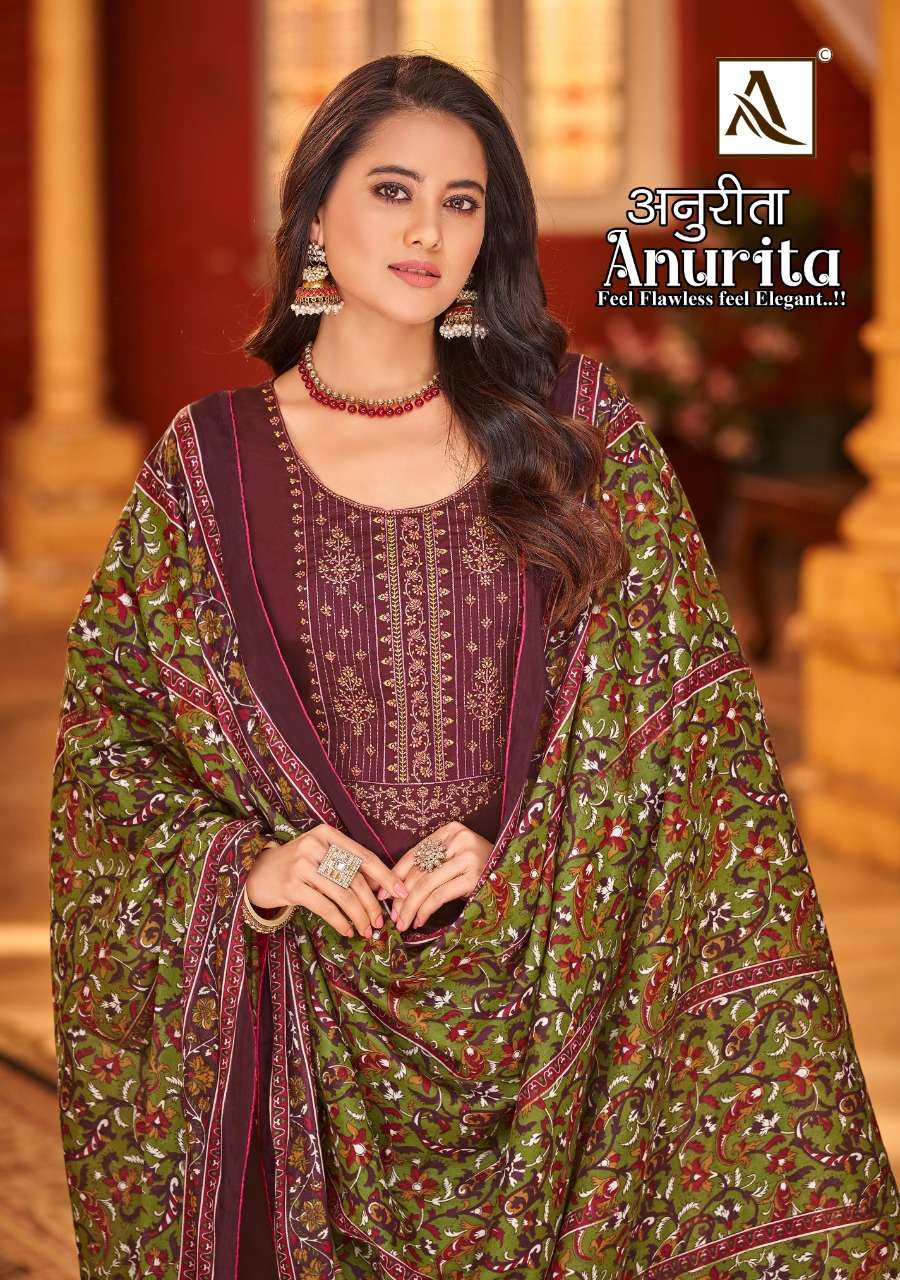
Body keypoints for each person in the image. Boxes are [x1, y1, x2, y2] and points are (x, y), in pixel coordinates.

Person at [49, 53, 899, 1280]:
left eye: (462, 201)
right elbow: (110, 762)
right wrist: (256, 868)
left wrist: (534, 865)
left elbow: (689, 757)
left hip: (556, 1043)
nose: (428, 232)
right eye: (392, 190)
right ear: (315, 214)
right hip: (308, 1039)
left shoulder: (577, 440)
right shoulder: (209, 468)